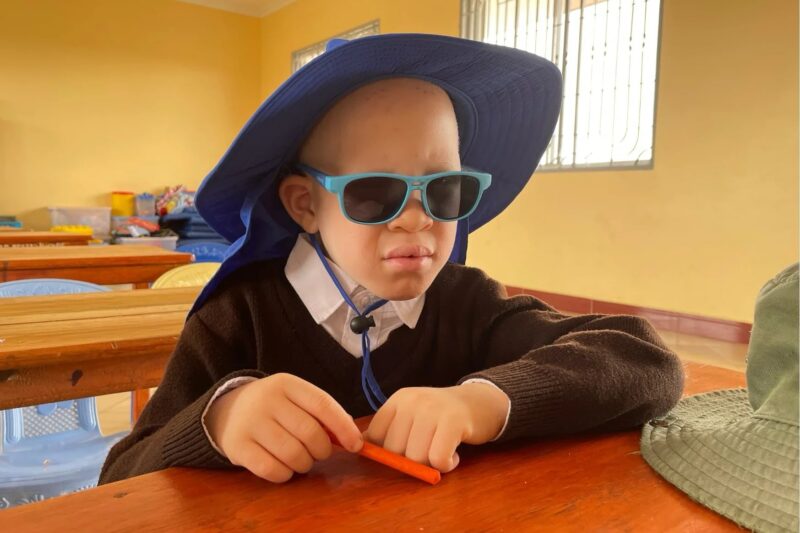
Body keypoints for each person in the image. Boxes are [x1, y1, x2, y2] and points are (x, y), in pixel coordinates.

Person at [100, 34, 684, 485]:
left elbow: (644, 361)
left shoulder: (467, 302)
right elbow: (120, 476)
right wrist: (221, 420)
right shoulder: (236, 317)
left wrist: (479, 401)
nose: (416, 218)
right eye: (375, 193)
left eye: (445, 190)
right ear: (305, 204)